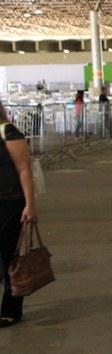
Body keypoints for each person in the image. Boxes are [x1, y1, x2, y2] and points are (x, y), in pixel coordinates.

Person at [0, 100, 38, 328]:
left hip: (10, 203)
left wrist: (30, 205)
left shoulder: (9, 133)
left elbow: (25, 170)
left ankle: (11, 309)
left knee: (9, 260)